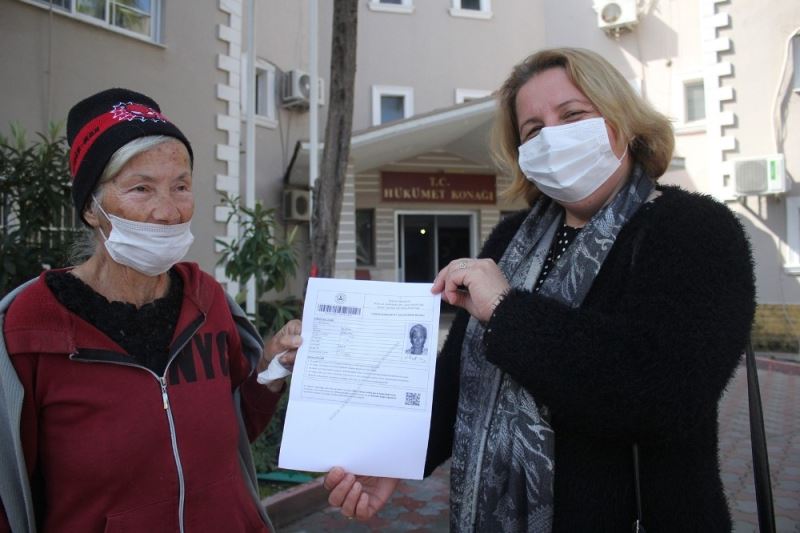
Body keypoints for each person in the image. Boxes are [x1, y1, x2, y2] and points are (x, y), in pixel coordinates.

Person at [324, 48, 756, 532]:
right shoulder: (510, 241)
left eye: (573, 115)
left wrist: (507, 311)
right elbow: (457, 383)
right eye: (533, 130)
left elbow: (664, 394)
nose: (553, 137)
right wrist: (396, 459)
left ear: (624, 121)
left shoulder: (694, 229)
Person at [0, 88, 302, 533]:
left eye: (180, 186)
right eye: (141, 189)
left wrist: (270, 365)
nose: (168, 211)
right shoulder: (30, 328)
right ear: (91, 208)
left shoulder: (207, 300)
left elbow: (230, 436)